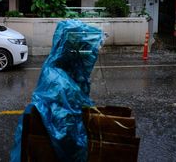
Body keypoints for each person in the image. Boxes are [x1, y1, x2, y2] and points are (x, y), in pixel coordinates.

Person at [10, 19, 105, 162]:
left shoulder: (64, 71)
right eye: (89, 48)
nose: (92, 54)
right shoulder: (60, 82)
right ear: (75, 50)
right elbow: (66, 134)